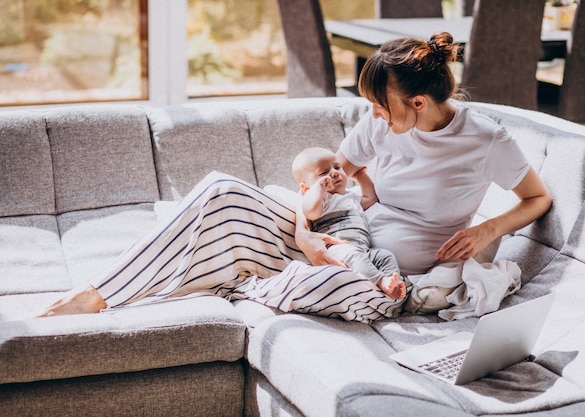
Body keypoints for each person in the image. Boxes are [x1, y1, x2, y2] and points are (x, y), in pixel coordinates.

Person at [38, 32, 552, 323]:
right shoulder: (383, 126)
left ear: (419, 102)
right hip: (326, 239)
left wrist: (488, 230)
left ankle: (242, 280)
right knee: (221, 191)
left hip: (375, 273)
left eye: (380, 106)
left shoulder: (485, 139)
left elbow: (536, 198)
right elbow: (333, 180)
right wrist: (308, 234)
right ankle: (95, 295)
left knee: (326, 279)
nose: (371, 116)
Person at [292, 147, 405, 300]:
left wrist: (360, 175)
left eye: (337, 167)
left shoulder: (350, 197)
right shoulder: (321, 199)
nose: (334, 173)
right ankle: (381, 281)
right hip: (339, 250)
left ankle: (394, 286)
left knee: (385, 256)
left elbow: (370, 198)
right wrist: (317, 190)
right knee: (354, 256)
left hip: (364, 250)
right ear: (306, 187)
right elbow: (310, 212)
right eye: (323, 173)